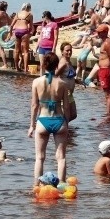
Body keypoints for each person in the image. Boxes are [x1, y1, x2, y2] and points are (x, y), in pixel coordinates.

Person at [28, 52, 70, 186]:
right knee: (61, 158)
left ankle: (36, 186)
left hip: (43, 121)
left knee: (39, 158)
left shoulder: (36, 82)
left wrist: (31, 125)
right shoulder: (63, 84)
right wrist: (66, 123)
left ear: (43, 64)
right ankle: (62, 186)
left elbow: (34, 106)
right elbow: (67, 107)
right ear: (57, 65)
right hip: (59, 120)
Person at [96, 23, 110, 116]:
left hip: (106, 70)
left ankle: (109, 114)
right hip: (103, 69)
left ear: (105, 32)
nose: (98, 34)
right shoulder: (104, 42)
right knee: (107, 93)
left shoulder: (108, 42)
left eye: (100, 32)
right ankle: (109, 113)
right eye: (98, 32)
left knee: (108, 93)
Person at [8, 2, 33, 73]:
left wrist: (10, 33)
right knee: (26, 51)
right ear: (28, 8)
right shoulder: (30, 15)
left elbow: (12, 25)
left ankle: (17, 68)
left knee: (16, 51)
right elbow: (31, 27)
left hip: (17, 32)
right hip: (24, 31)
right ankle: (25, 69)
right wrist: (30, 34)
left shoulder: (17, 14)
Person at [56, 42, 78, 122]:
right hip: (64, 94)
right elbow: (55, 75)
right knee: (66, 116)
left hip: (70, 94)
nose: (69, 52)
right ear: (62, 52)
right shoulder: (63, 63)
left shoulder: (69, 62)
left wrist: (78, 81)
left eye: (70, 50)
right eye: (67, 50)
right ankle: (62, 129)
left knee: (73, 115)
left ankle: (63, 127)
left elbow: (69, 77)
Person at [37, 11, 58, 76]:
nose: (42, 19)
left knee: (50, 65)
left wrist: (54, 48)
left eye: (42, 17)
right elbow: (40, 37)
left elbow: (56, 37)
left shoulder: (54, 24)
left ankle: (52, 79)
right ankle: (41, 79)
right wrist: (37, 46)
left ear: (46, 17)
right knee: (42, 65)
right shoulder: (43, 25)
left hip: (49, 47)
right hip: (42, 47)